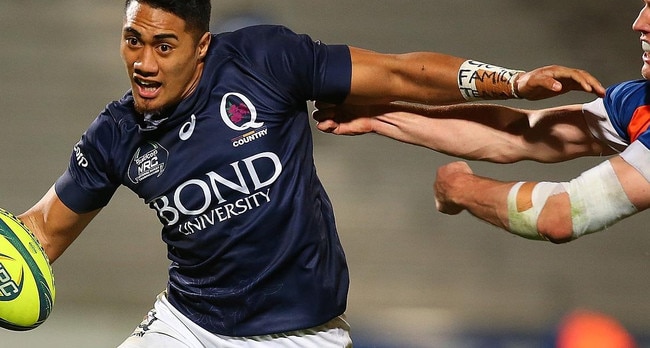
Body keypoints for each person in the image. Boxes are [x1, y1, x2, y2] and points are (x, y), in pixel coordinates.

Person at [9, 0, 605, 347]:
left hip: (301, 335)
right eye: (132, 41)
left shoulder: (265, 61)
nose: (143, 62)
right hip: (189, 326)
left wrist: (513, 81)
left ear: (202, 46)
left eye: (163, 46)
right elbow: (41, 231)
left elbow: (401, 74)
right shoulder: (114, 134)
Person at [313, 1, 650, 244]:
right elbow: (520, 135)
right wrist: (378, 115)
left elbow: (562, 214)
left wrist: (460, 188)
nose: (639, 22)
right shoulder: (638, 102)